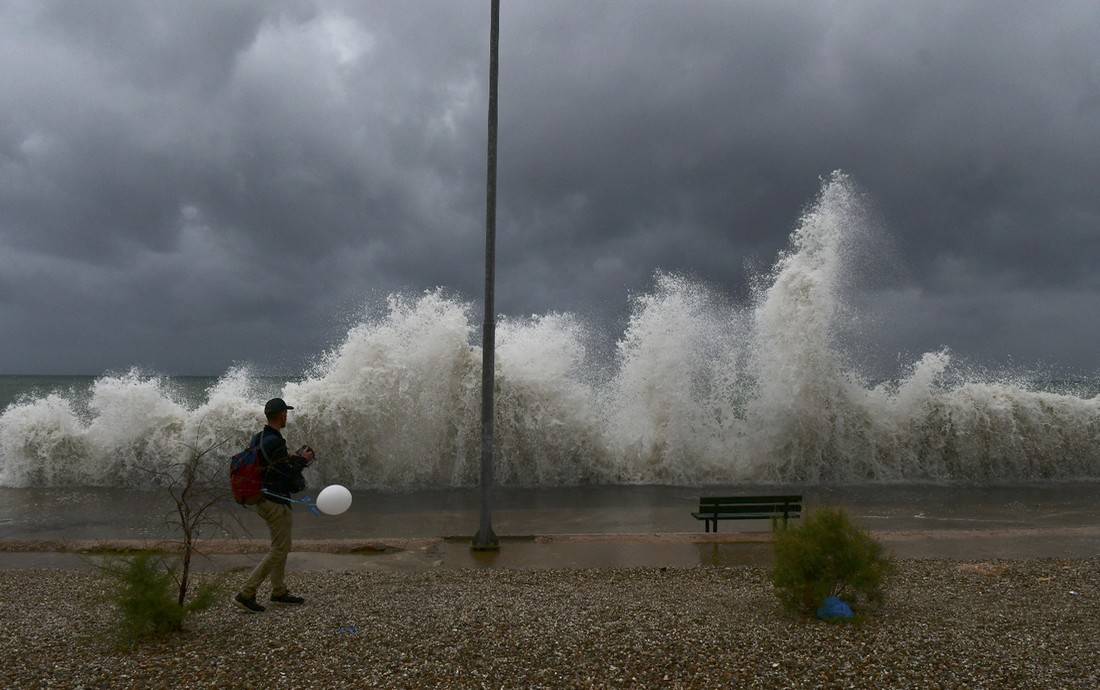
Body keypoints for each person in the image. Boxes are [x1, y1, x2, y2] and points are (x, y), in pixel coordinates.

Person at [233, 398, 316, 613]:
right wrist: (303, 460)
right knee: (280, 547)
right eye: (285, 413)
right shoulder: (276, 441)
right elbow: (284, 472)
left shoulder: (259, 438)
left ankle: (279, 591)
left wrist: (293, 458)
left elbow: (270, 466)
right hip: (274, 501)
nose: (286, 416)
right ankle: (247, 592)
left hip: (261, 498)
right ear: (281, 415)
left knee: (280, 545)